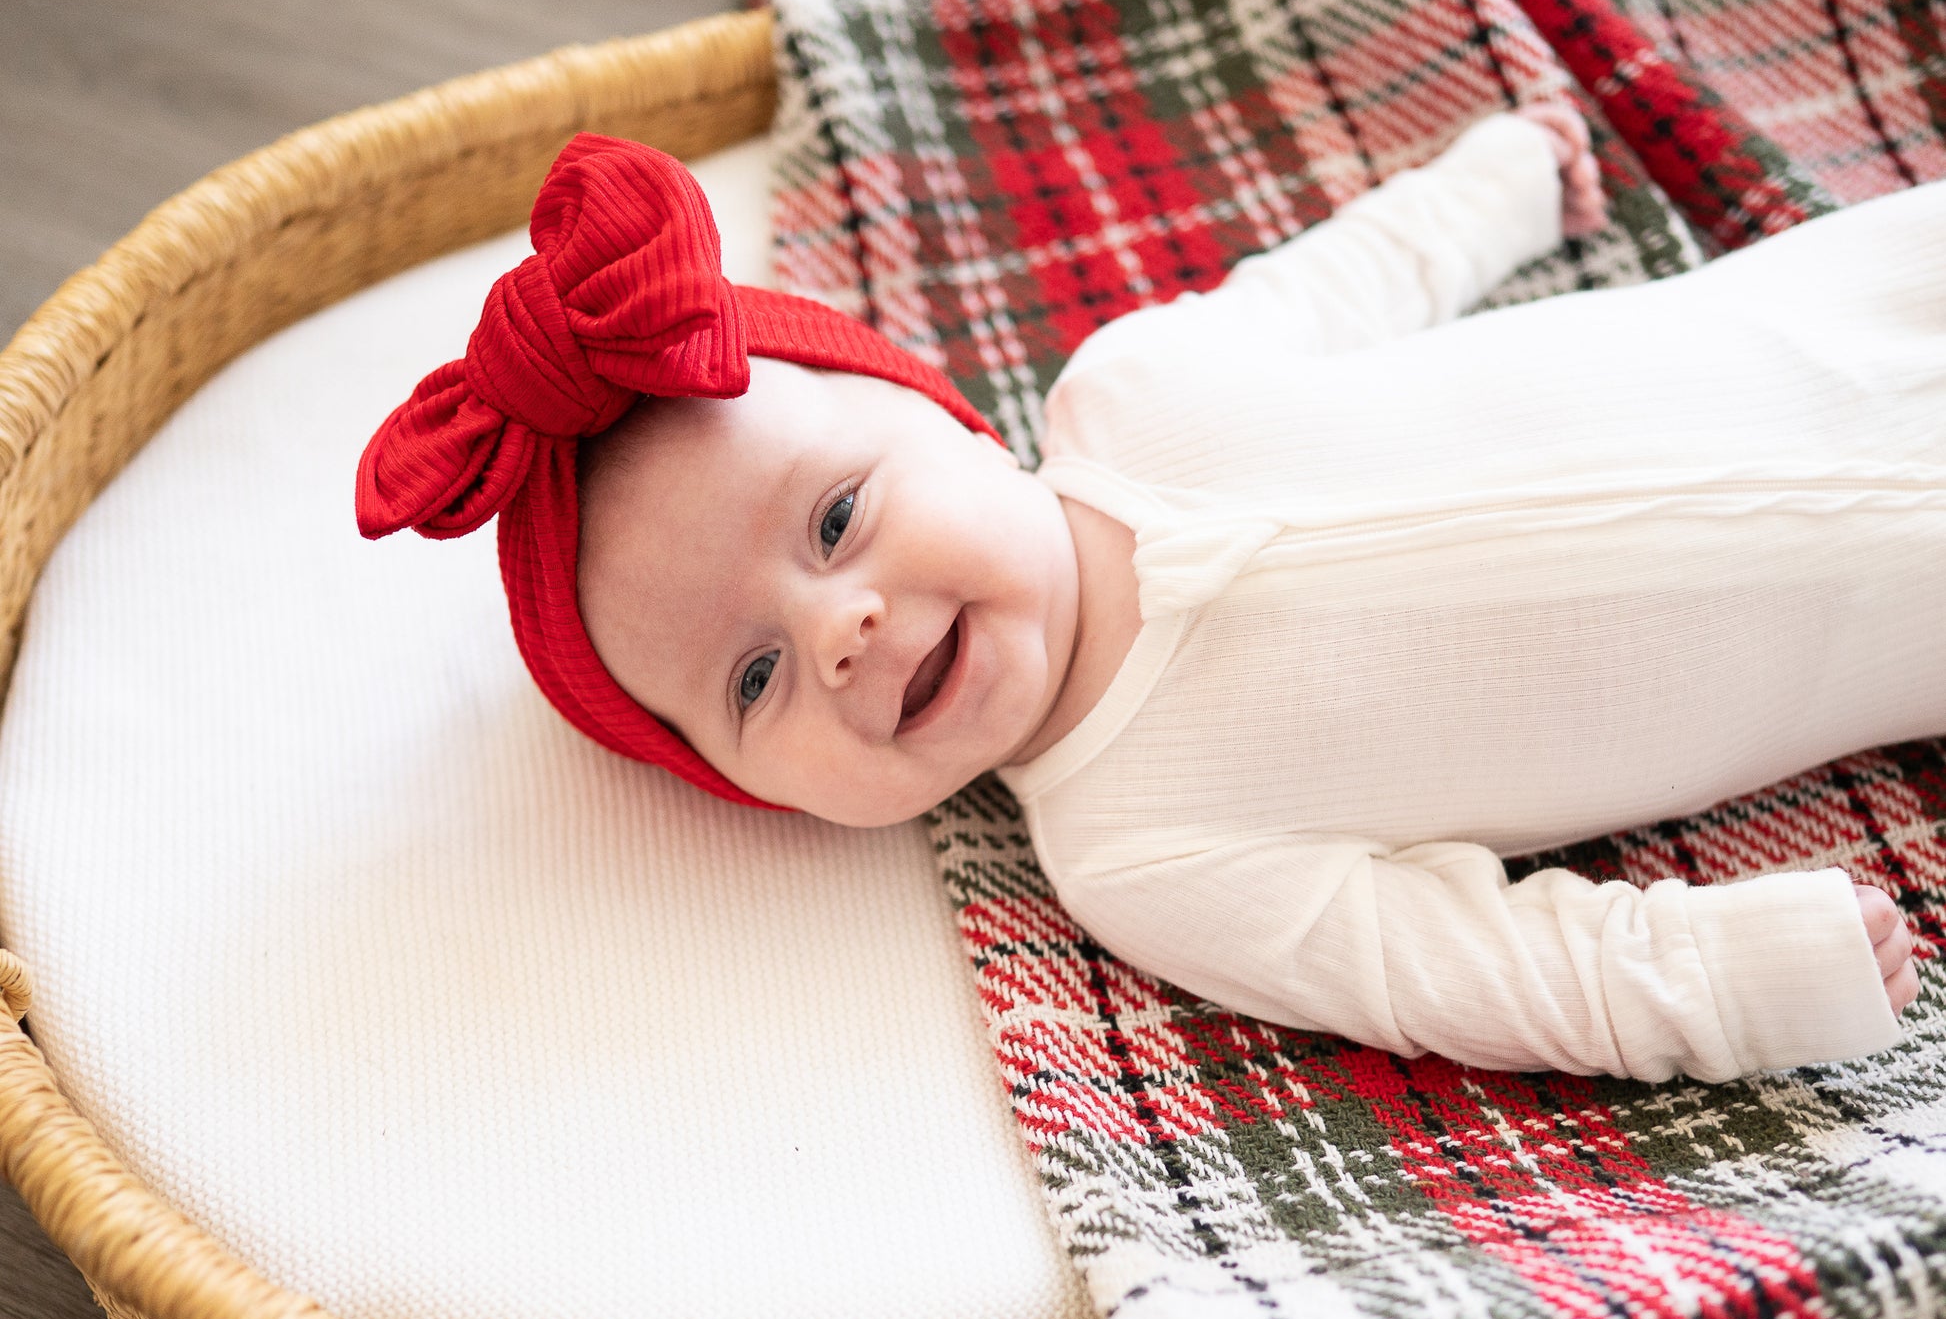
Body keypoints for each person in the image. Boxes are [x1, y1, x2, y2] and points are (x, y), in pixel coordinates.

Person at [359, 107, 1932, 1084]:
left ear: (955, 418)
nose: (835, 629)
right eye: (752, 682)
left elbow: (1346, 281)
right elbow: (1466, 967)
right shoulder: (1145, 855)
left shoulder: (1137, 391)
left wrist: (1492, 190)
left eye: (837, 515)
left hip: (1854, 310)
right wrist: (1729, 984)